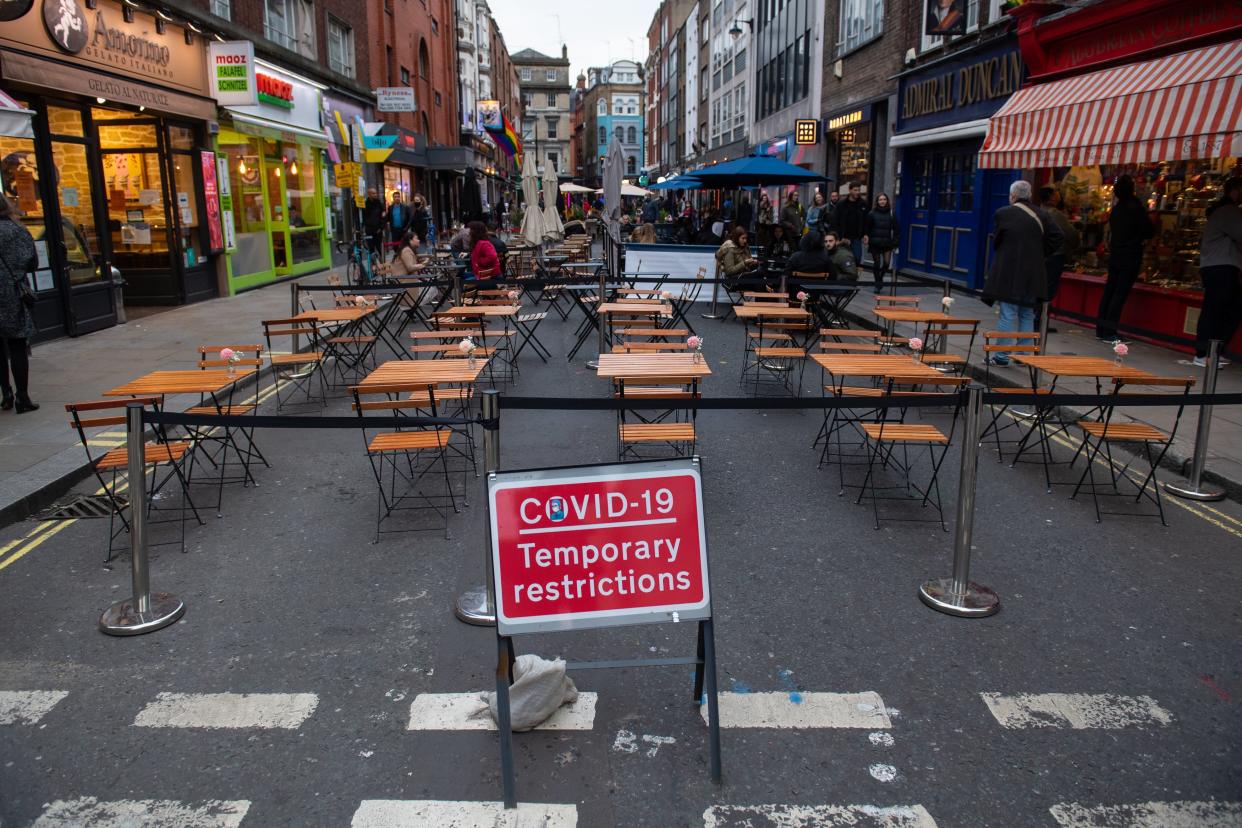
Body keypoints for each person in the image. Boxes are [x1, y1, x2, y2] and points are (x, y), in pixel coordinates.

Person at [982, 180, 1063, 366]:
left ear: (1013, 196)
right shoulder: (1042, 214)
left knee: (1008, 313)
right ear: (1029, 195)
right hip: (1034, 274)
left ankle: (1001, 356)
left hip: (1010, 272)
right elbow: (1059, 236)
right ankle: (1023, 355)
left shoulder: (1003, 213)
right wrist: (1041, 253)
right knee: (1027, 314)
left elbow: (997, 241)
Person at [1096, 174, 1154, 344]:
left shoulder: (1117, 209)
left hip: (1116, 253)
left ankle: (1102, 328)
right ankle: (1110, 330)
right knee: (1119, 293)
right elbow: (1149, 230)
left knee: (1110, 291)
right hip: (1130, 255)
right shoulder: (1136, 208)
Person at [1195, 176, 1242, 367]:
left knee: (1223, 310)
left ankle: (1212, 351)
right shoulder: (1228, 211)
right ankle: (1203, 353)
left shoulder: (1222, 210)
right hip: (1220, 267)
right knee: (1216, 310)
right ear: (1236, 190)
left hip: (1219, 266)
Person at [0, 193, 38, 412]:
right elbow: (33, 263)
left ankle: (6, 393)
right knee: (17, 346)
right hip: (13, 294)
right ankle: (22, 396)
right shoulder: (18, 232)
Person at [1038, 185, 1080, 333]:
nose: (1059, 194)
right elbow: (1071, 234)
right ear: (1051, 197)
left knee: (1041, 287)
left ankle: (1038, 320)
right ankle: (1041, 321)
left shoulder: (1038, 211)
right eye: (1056, 192)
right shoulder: (1055, 214)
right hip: (1054, 255)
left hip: (1040, 255)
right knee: (1048, 289)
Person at [863, 193, 899, 293]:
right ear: (877, 201)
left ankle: (880, 277)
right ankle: (877, 283)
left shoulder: (891, 213)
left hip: (887, 242)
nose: (882, 201)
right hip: (875, 242)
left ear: (887, 201)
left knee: (887, 264)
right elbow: (867, 227)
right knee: (877, 263)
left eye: (884, 199)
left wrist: (895, 242)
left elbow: (896, 229)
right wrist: (866, 236)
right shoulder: (872, 213)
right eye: (880, 200)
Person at [835, 182, 869, 267]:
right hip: (844, 237)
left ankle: (852, 276)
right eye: (855, 190)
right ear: (850, 190)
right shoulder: (841, 204)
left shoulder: (863, 203)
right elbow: (836, 221)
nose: (857, 192)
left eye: (859, 190)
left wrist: (865, 234)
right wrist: (839, 236)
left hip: (857, 237)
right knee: (844, 259)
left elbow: (866, 221)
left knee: (857, 258)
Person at [362, 188, 385, 255]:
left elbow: (383, 217)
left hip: (378, 230)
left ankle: (382, 263)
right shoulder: (365, 204)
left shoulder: (379, 204)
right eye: (373, 193)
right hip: (369, 230)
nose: (375, 195)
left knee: (379, 248)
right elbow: (364, 217)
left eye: (375, 193)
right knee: (371, 249)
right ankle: (373, 263)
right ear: (369, 194)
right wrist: (364, 227)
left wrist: (381, 228)